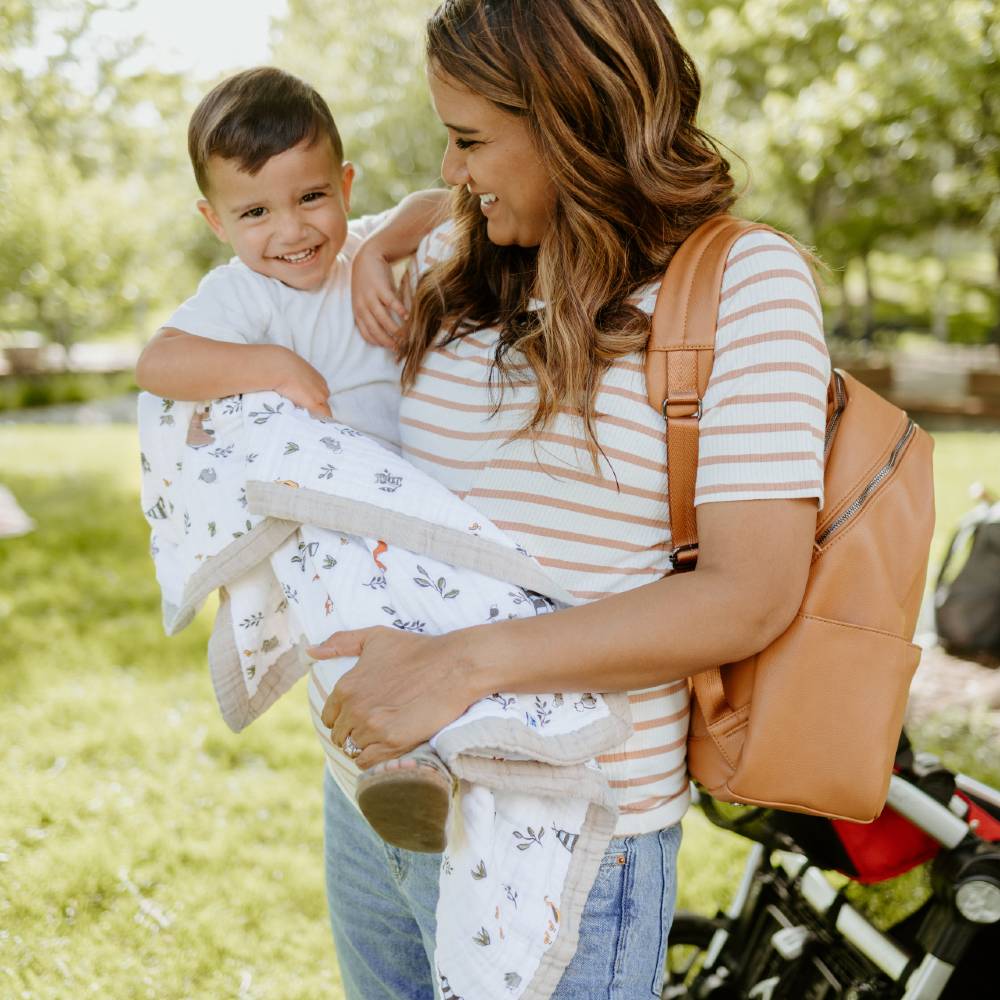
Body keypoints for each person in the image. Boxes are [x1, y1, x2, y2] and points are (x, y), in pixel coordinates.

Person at [310, 1, 831, 997]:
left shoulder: (742, 284)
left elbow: (748, 591)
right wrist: (387, 237)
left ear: (575, 124)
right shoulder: (450, 260)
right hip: (377, 800)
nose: (453, 170)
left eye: (469, 140)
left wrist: (458, 666)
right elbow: (291, 253)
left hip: (568, 844)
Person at [134, 66, 457, 849]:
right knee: (351, 628)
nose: (291, 230)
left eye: (312, 197)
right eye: (255, 211)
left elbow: (449, 203)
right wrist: (270, 367)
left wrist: (382, 245)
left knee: (440, 624)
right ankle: (399, 770)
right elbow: (158, 364)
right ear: (216, 221)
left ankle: (475, 747)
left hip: (408, 498)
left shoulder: (362, 255)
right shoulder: (244, 294)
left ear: (345, 184)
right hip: (324, 517)